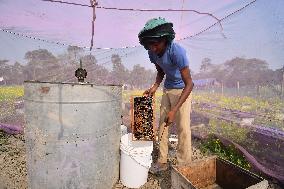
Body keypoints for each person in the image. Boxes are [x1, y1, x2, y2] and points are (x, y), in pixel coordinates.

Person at [138, 17, 194, 173]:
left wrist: (174, 110)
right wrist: (155, 86)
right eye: (150, 45)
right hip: (167, 89)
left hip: (182, 90)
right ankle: (162, 161)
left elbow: (190, 84)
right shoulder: (152, 53)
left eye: (155, 44)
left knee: (183, 127)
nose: (153, 48)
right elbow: (161, 70)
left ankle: (184, 165)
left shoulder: (177, 51)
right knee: (162, 125)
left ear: (165, 40)